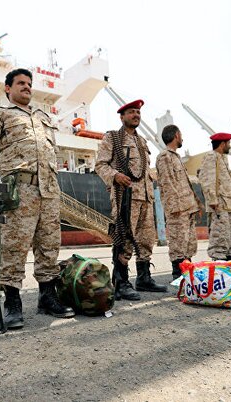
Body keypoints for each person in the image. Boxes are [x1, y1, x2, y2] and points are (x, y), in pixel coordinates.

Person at [0, 68, 74, 330]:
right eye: (21, 83)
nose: (27, 87)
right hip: (21, 190)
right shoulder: (2, 113)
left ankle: (47, 296)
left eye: (29, 84)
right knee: (14, 246)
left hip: (49, 190)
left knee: (49, 245)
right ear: (8, 88)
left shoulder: (43, 117)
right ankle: (13, 303)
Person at [95, 99, 167, 301]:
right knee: (124, 237)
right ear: (122, 116)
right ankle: (120, 282)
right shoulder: (113, 138)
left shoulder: (142, 142)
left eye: (138, 112)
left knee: (146, 239)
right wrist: (115, 176)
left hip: (145, 197)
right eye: (132, 112)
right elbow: (100, 165)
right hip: (126, 197)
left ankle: (144, 278)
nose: (136, 115)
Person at [155, 124, 202, 279]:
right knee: (178, 243)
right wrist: (177, 209)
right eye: (181, 135)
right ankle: (179, 276)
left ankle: (188, 275)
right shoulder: (165, 157)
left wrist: (195, 204)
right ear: (176, 135)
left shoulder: (176, 157)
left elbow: (185, 184)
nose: (182, 138)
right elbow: (167, 183)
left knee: (188, 244)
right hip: (178, 209)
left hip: (187, 208)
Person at [197, 133, 231, 261]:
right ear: (222, 144)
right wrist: (212, 200)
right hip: (220, 205)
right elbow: (206, 178)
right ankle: (219, 266)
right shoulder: (211, 157)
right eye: (228, 143)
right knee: (220, 237)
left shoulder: (222, 158)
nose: (230, 146)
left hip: (230, 205)